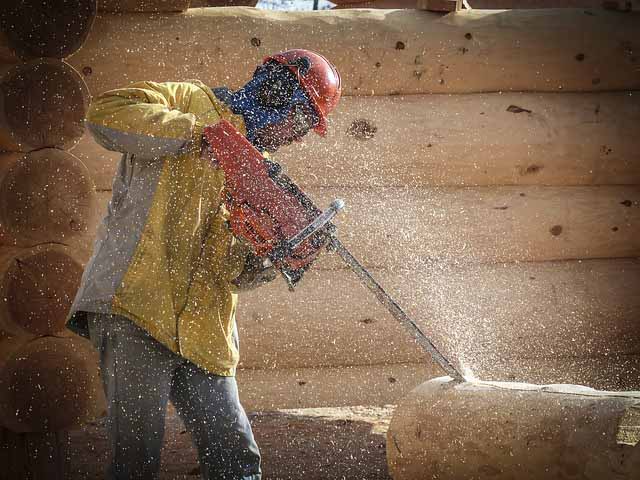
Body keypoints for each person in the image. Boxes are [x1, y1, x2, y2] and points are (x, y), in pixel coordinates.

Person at [66, 49, 341, 480]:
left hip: (203, 333)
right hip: (134, 307)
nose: (298, 137)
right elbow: (105, 112)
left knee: (237, 459)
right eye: (303, 122)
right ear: (279, 96)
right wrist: (198, 134)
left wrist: (269, 257)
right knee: (137, 462)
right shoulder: (186, 100)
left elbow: (231, 271)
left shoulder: (261, 175)